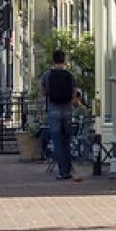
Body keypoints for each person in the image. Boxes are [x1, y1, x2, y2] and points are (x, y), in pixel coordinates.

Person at [40, 49, 77, 180]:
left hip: (53, 110)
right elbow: (74, 93)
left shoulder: (47, 75)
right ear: (64, 60)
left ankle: (63, 171)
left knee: (57, 141)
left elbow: (43, 92)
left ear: (53, 60)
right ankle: (68, 168)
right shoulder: (70, 75)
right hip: (67, 110)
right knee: (67, 140)